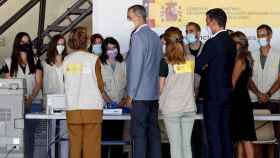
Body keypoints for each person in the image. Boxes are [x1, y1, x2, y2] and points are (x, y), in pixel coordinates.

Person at [195, 8, 236, 158]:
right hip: (227, 93)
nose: (207, 25)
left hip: (213, 95)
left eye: (207, 22)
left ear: (213, 22)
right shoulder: (231, 42)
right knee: (225, 134)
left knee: (214, 135)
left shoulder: (212, 43)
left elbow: (198, 65)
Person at [126, 5, 162, 158]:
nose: (129, 19)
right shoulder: (155, 36)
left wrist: (130, 94)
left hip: (140, 95)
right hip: (154, 94)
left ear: (137, 16)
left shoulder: (137, 36)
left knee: (139, 134)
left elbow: (136, 68)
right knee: (154, 134)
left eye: (130, 16)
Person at [63, 27, 105, 158]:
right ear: (86, 41)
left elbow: (65, 82)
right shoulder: (93, 59)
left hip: (73, 108)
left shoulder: (66, 60)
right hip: (92, 108)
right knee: (91, 147)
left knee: (75, 145)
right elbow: (100, 85)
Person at [3, 32, 43, 158]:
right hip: (15, 105)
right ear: (17, 44)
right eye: (22, 42)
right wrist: (20, 98)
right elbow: (8, 84)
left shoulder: (36, 61)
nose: (25, 44)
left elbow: (39, 82)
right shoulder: (8, 63)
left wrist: (30, 97)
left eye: (27, 42)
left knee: (30, 135)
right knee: (17, 135)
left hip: (34, 102)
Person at [159, 26, 196, 158]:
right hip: (189, 107)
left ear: (167, 43)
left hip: (171, 108)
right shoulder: (191, 59)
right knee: (186, 145)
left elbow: (160, 88)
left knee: (175, 145)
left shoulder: (164, 62)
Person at [249, 24, 280, 157]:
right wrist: (258, 94)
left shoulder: (278, 55)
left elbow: (279, 79)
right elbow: (248, 79)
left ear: (270, 36)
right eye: (258, 35)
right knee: (257, 140)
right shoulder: (251, 55)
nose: (260, 37)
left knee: (272, 141)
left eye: (263, 34)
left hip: (274, 101)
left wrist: (267, 94)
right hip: (255, 101)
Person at [99, 37, 127, 158]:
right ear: (105, 50)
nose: (112, 51)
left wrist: (124, 100)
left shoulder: (123, 63)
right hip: (105, 107)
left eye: (114, 48)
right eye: (109, 48)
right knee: (104, 139)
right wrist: (109, 102)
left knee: (118, 139)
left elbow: (128, 84)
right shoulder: (99, 64)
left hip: (121, 107)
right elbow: (99, 87)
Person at [230, 31, 256, 158]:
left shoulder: (239, 60)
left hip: (238, 102)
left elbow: (232, 83)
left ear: (239, 44)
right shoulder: (246, 58)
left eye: (232, 43)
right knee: (241, 138)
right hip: (243, 100)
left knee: (245, 138)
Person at [42, 34, 68, 158]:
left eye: (63, 44)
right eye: (58, 44)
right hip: (51, 105)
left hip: (66, 104)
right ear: (53, 45)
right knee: (51, 136)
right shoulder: (45, 64)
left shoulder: (68, 61)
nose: (61, 46)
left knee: (65, 136)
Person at [185, 22, 208, 158]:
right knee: (189, 135)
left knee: (205, 134)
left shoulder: (207, 49)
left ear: (198, 33)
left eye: (191, 31)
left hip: (203, 98)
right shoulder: (181, 50)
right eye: (187, 31)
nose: (189, 33)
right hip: (186, 98)